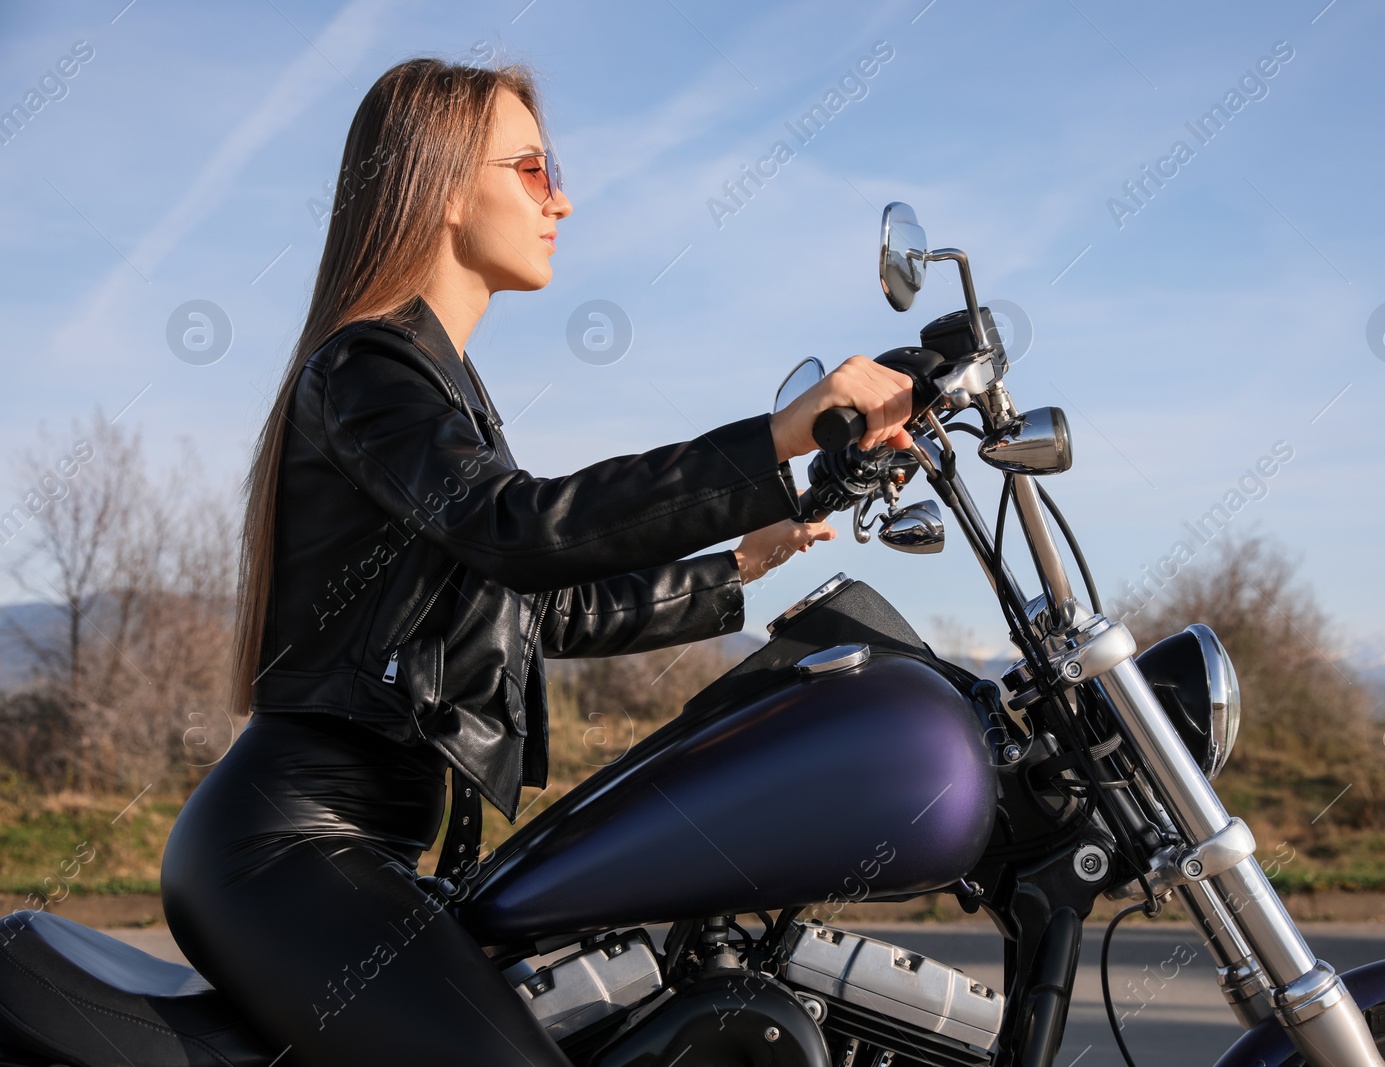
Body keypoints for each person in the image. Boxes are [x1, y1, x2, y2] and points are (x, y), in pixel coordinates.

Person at [159, 56, 913, 1066]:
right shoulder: (367, 366)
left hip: (366, 841)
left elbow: (540, 607)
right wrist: (772, 441)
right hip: (292, 846)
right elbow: (520, 526)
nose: (562, 195)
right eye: (530, 167)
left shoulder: (442, 385)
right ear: (435, 183)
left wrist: (738, 565)